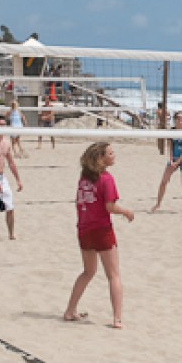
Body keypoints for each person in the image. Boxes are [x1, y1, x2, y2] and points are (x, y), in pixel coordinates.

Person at [63, 141, 135, 329]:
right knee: (113, 275)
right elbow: (109, 206)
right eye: (110, 153)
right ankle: (117, 318)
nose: (114, 155)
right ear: (100, 158)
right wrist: (126, 212)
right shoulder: (106, 179)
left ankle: (70, 310)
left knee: (88, 271)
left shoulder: (84, 178)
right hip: (101, 229)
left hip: (84, 228)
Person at [151, 112, 182, 212]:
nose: (180, 120)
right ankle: (158, 204)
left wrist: (178, 161)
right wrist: (171, 160)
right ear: (174, 120)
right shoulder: (172, 131)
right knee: (164, 181)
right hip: (173, 159)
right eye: (178, 118)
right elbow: (170, 146)